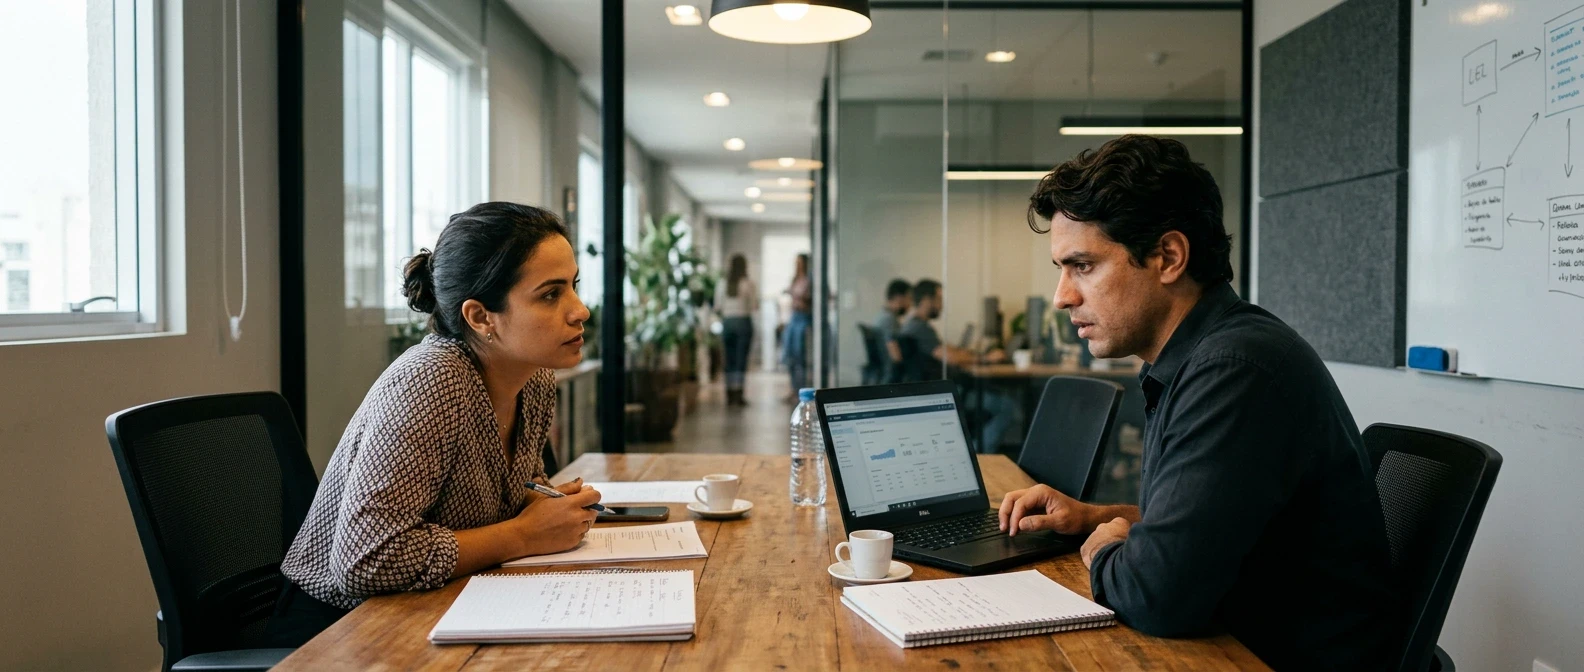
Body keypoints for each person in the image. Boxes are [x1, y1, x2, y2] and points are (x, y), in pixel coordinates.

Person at [997, 136, 1398, 671]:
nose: (1062, 295)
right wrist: (1096, 518)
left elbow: (1156, 595)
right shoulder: (1202, 357)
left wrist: (1105, 549)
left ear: (1168, 257)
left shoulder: (1234, 370)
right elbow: (1208, 526)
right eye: (1061, 269)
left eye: (1083, 266)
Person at [267, 202, 603, 646]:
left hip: (443, 604)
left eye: (573, 286)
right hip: (338, 630)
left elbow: (497, 487)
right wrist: (523, 534)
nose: (580, 311)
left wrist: (542, 502)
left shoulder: (534, 378)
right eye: (550, 294)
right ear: (480, 317)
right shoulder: (431, 381)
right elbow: (366, 561)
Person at [898, 279, 1016, 453]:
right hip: (943, 394)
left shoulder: (914, 325)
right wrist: (986, 358)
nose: (941, 305)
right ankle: (978, 455)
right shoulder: (919, 328)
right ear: (926, 300)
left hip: (937, 390)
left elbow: (943, 349)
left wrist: (965, 352)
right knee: (1006, 406)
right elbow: (949, 357)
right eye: (939, 299)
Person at [717, 254, 758, 407]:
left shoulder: (722, 284)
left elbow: (717, 307)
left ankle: (729, 394)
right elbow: (754, 306)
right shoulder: (748, 284)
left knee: (729, 361)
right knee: (741, 361)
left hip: (727, 323)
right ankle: (738, 394)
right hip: (743, 322)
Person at [782, 252, 813, 401]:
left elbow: (811, 300)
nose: (797, 265)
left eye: (800, 262)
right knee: (790, 356)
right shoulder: (795, 279)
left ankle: (801, 390)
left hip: (804, 318)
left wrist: (801, 298)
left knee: (800, 356)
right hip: (793, 318)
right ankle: (794, 389)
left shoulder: (810, 280)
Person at [873, 278, 912, 371]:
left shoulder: (882, 315)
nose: (910, 304)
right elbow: (895, 356)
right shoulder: (889, 320)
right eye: (909, 298)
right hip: (891, 371)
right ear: (899, 298)